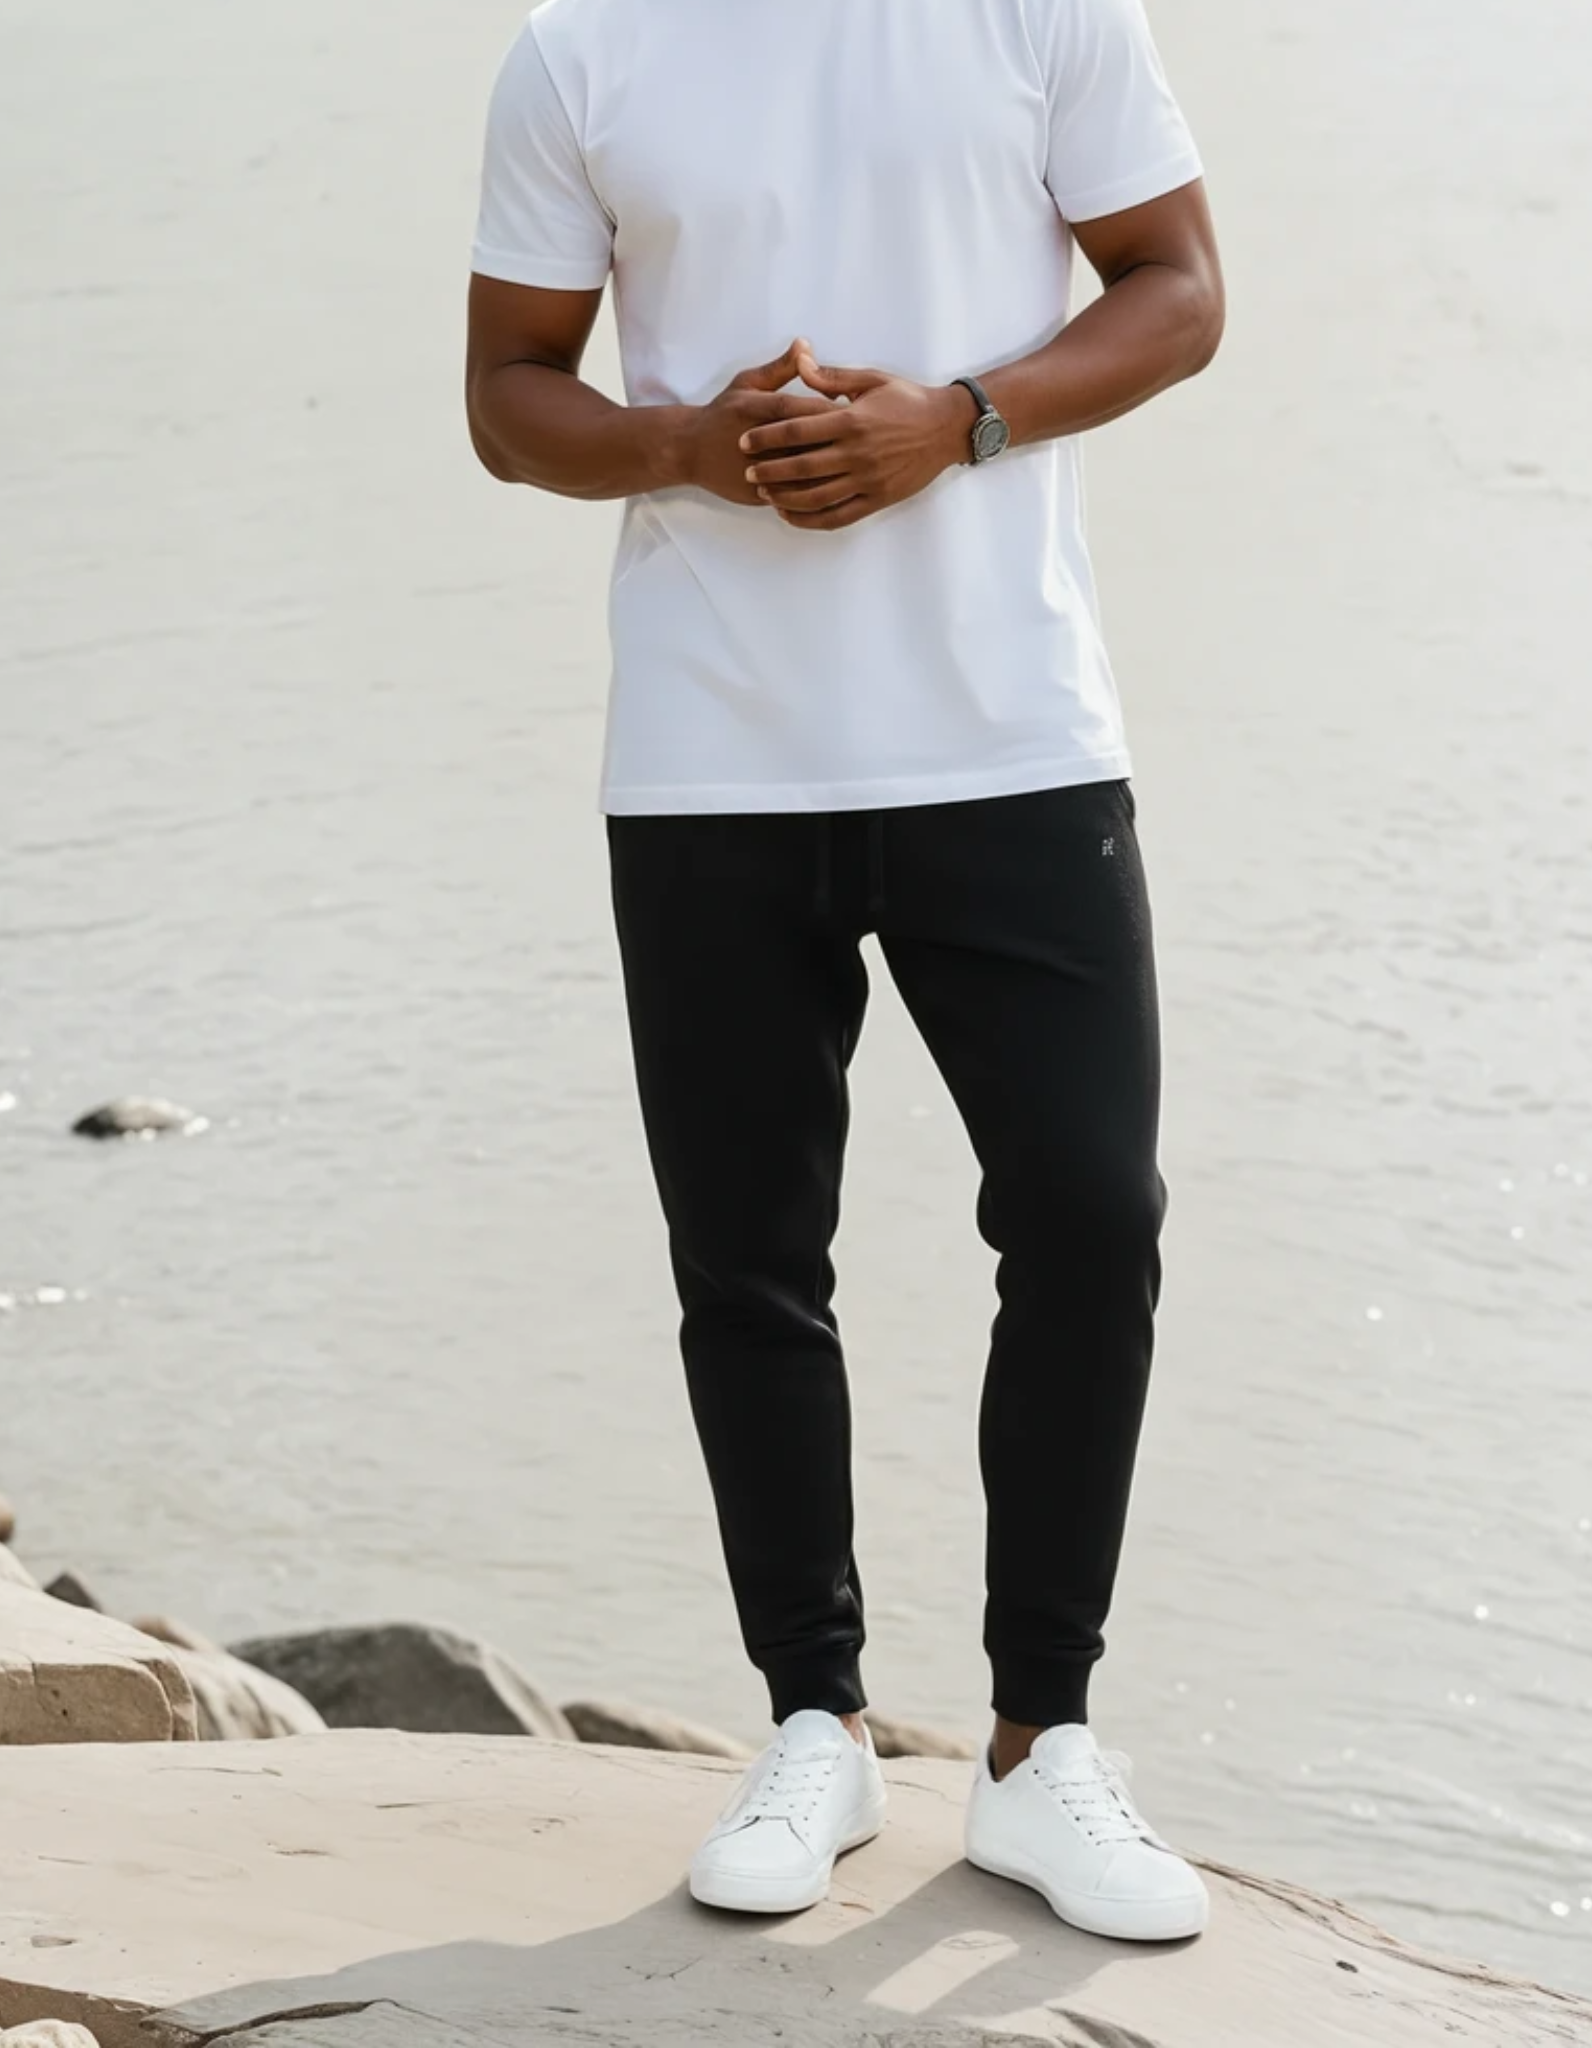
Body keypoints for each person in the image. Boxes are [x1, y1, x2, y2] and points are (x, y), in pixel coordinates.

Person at [465, 0, 1224, 1944]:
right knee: (747, 1258)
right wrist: (686, 446)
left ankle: (1039, 1745)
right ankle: (811, 1723)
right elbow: (506, 393)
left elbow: (1176, 283)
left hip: (1012, 737)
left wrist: (953, 417)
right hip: (713, 755)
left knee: (1085, 1211)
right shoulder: (582, 53)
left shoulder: (1042, 16)